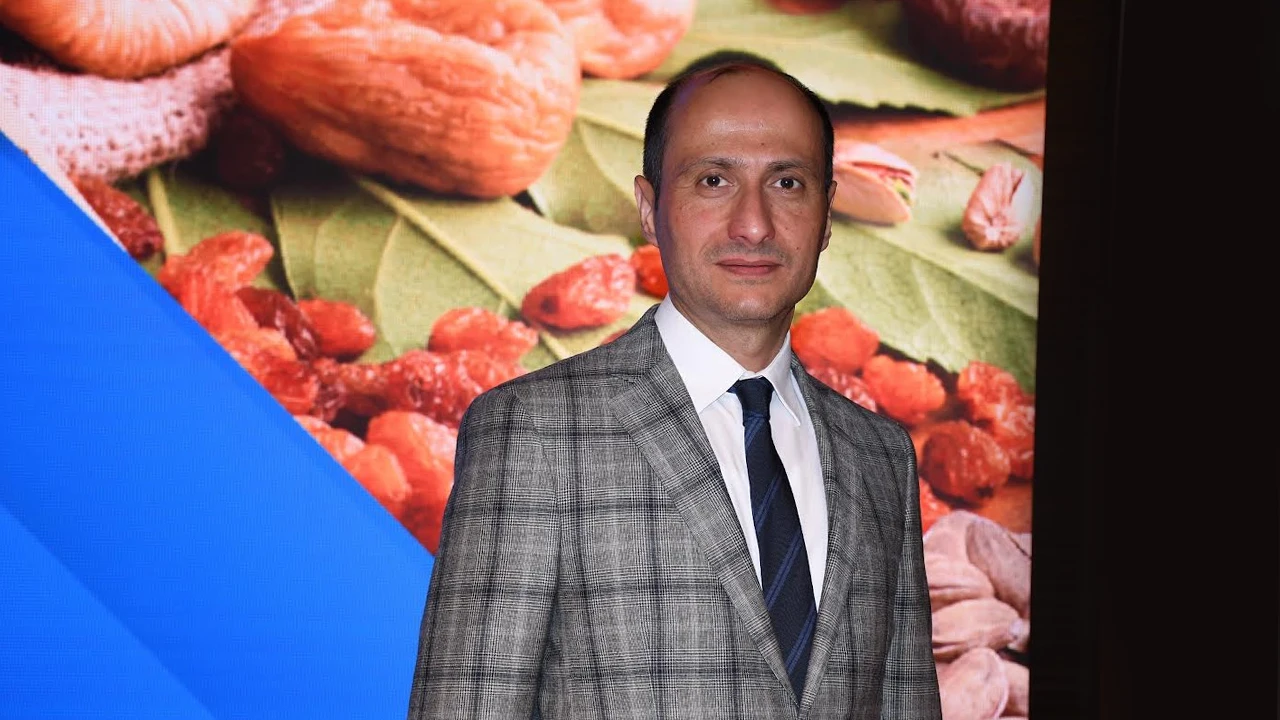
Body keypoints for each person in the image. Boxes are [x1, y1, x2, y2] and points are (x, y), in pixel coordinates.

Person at [406, 55, 942, 720]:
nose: (754, 224)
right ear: (648, 207)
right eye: (713, 180)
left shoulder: (881, 455)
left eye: (788, 183)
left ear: (827, 214)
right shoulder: (534, 432)